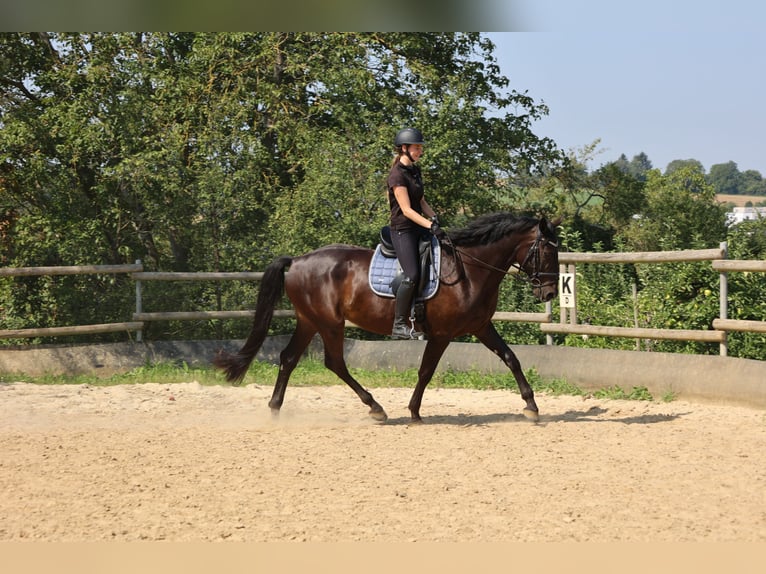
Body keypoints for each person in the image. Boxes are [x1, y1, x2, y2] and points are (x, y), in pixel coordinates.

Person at [386, 127, 446, 340]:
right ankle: (399, 325)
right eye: (417, 147)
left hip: (418, 226)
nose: (420, 150)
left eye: (420, 147)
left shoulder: (414, 171)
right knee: (411, 275)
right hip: (403, 230)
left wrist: (435, 218)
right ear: (404, 148)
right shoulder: (396, 175)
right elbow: (407, 210)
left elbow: (420, 202)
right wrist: (430, 226)